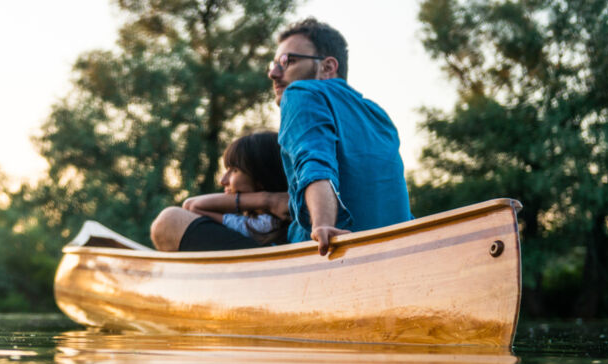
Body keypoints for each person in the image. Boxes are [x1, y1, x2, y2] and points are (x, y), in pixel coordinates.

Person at [269, 17, 413, 255]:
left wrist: (323, 224)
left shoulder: (300, 92)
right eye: (273, 64)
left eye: (287, 61)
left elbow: (314, 162)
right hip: (394, 251)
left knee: (183, 219)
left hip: (327, 254)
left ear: (327, 67)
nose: (274, 73)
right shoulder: (378, 115)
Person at [150, 132, 292, 251]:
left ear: (262, 178)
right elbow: (190, 206)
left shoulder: (271, 223)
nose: (223, 181)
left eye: (235, 170)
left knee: (171, 219)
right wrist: (267, 199)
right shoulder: (252, 223)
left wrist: (266, 200)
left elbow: (191, 206)